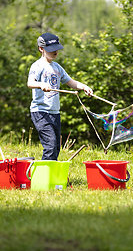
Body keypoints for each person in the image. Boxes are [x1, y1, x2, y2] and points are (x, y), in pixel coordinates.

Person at [27, 32, 93, 160]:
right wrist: (41, 85)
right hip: (41, 111)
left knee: (56, 146)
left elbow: (71, 82)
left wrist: (84, 86)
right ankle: (44, 176)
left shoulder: (57, 67)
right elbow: (30, 83)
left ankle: (52, 174)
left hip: (54, 112)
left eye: (56, 49)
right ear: (41, 49)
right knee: (50, 145)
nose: (55, 52)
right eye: (51, 50)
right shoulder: (37, 66)